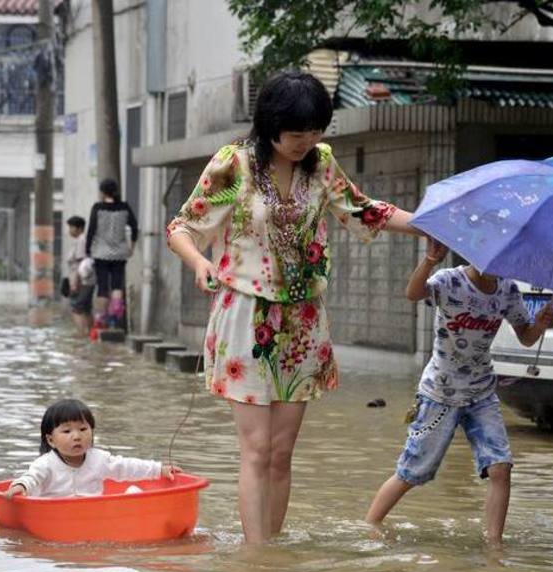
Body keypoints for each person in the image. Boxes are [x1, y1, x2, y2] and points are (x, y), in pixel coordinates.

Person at [166, 70, 419, 543]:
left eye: (315, 130)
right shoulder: (234, 164)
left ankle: (272, 552)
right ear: (269, 126)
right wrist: (199, 262)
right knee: (257, 449)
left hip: (302, 322)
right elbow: (181, 226)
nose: (306, 141)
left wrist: (428, 225)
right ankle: (256, 558)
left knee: (282, 452)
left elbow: (364, 211)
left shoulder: (321, 163)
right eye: (296, 133)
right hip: (246, 316)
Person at [365, 238, 553, 544]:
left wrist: (540, 325)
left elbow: (526, 338)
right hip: (439, 393)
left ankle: (494, 545)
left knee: (500, 467)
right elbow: (413, 293)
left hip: (481, 392)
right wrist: (429, 260)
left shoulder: (507, 291)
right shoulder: (449, 281)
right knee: (414, 470)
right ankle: (371, 524)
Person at [4, 398, 181, 498]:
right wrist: (21, 486)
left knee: (133, 492)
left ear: (92, 431)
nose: (77, 436)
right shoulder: (45, 464)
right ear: (51, 440)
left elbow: (127, 466)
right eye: (67, 431)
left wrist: (159, 469)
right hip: (55, 516)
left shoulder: (99, 459)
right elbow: (31, 478)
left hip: (94, 514)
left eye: (83, 429)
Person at [85, 178, 138, 329]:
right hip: (120, 254)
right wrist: (131, 247)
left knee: (102, 287)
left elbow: (91, 231)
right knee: (116, 286)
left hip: (100, 253)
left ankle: (100, 319)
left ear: (102, 192)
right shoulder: (124, 207)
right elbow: (134, 227)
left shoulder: (98, 208)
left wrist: (88, 251)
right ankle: (114, 319)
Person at [65, 216, 95, 336]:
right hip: (85, 280)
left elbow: (81, 263)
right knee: (86, 308)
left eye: (71, 227)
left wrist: (74, 282)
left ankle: (82, 334)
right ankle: (90, 335)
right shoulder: (81, 240)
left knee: (77, 308)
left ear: (79, 228)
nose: (70, 230)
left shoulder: (81, 240)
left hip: (83, 280)